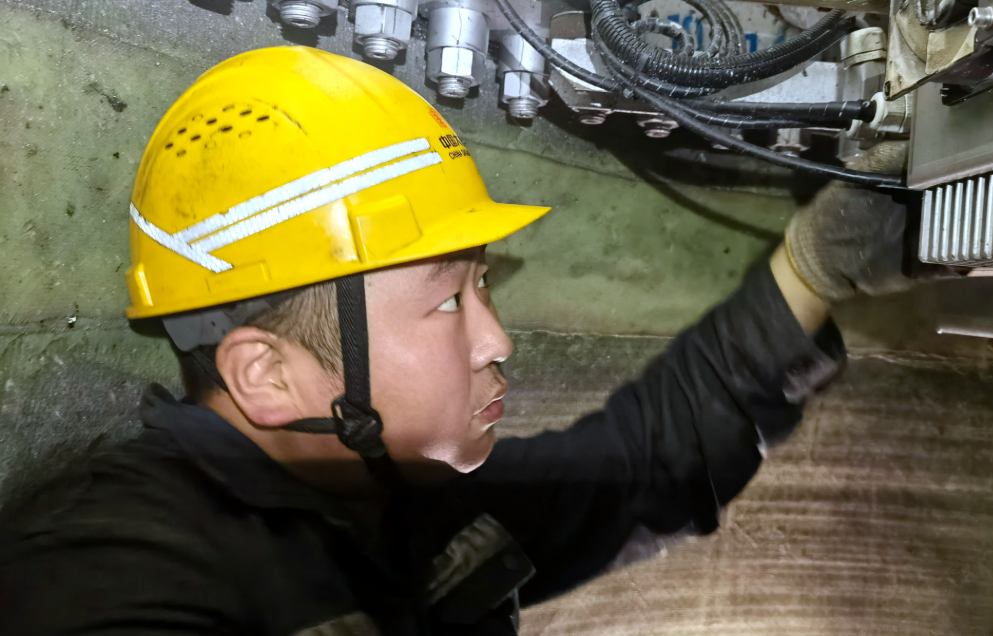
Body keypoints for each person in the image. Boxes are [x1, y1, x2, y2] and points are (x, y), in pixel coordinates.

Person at [0, 46, 917, 636]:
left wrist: (814, 268)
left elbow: (643, 462)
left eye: (484, 287)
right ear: (267, 375)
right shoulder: (101, 577)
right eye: (447, 302)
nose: (497, 340)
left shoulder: (389, 494)